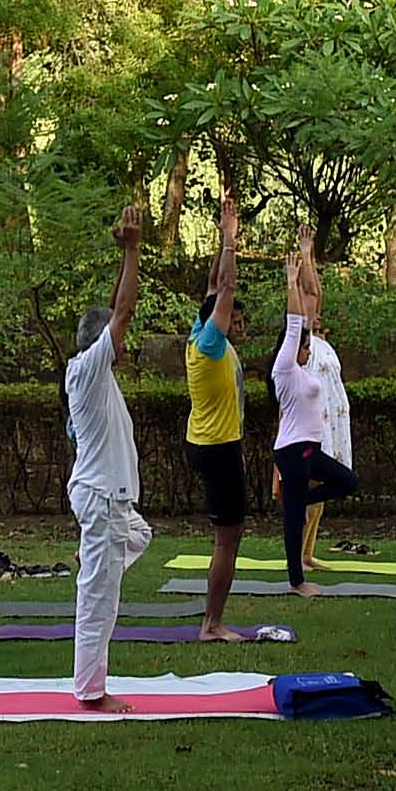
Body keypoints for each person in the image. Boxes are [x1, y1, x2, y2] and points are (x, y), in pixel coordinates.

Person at [65, 203, 153, 711]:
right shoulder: (88, 370)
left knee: (137, 539)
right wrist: (131, 249)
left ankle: (94, 562)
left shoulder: (96, 379)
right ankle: (91, 693)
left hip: (107, 501)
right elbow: (123, 311)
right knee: (99, 601)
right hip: (102, 500)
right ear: (102, 343)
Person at [271, 225, 359, 597]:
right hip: (293, 449)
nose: (309, 339)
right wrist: (292, 279)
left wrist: (308, 257)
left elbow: (315, 294)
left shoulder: (306, 365)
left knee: (347, 481)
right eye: (304, 341)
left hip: (310, 447)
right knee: (293, 519)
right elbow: (296, 322)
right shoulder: (286, 366)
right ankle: (297, 581)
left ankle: (299, 505)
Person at [182, 196, 249, 642]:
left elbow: (213, 286)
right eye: (232, 319)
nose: (236, 324)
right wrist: (229, 237)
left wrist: (222, 232)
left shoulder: (197, 333)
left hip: (209, 442)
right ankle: (212, 624)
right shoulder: (209, 343)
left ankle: (213, 621)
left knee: (229, 535)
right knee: (229, 539)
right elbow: (224, 286)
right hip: (217, 448)